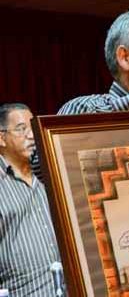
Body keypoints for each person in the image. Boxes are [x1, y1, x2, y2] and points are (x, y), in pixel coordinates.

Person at [0, 103, 63, 296]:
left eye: (32, 127)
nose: (31, 135)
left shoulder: (48, 175)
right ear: (1, 138)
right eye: (21, 129)